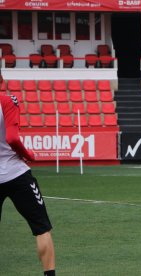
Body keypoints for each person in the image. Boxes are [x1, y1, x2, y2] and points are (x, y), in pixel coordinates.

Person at [0, 73, 56, 276]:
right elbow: (12, 138)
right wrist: (28, 154)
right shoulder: (8, 100)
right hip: (16, 174)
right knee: (41, 228)